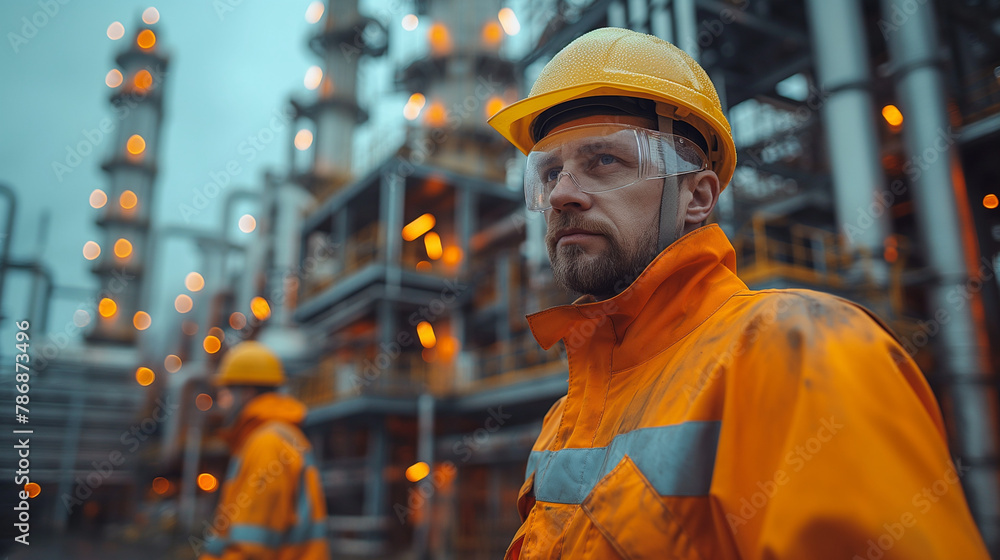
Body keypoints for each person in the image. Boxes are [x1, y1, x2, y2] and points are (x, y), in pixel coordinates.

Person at [487, 27, 989, 559]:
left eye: (605, 161)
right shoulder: (562, 419)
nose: (562, 193)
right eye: (548, 172)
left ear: (697, 197)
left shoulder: (802, 351)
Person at [199, 341, 330, 560]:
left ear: (247, 393)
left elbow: (251, 548)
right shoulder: (270, 438)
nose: (221, 404)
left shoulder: (267, 445)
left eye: (225, 393)